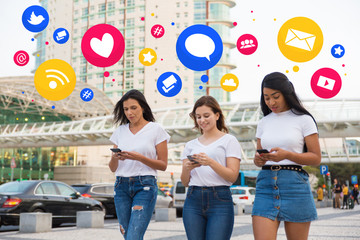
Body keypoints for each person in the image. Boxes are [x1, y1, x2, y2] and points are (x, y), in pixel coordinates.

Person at [252, 72, 321, 240]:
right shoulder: (263, 122)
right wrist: (258, 159)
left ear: (286, 93)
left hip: (295, 186)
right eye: (266, 98)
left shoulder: (304, 119)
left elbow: (316, 157)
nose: (271, 102)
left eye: (275, 96)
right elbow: (258, 158)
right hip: (265, 185)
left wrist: (287, 155)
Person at [108, 89, 170, 239]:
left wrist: (139, 158)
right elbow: (112, 168)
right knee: (127, 234)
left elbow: (163, 165)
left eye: (133, 108)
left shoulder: (156, 129)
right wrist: (116, 157)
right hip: (120, 186)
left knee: (134, 236)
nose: (130, 112)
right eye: (126, 109)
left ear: (143, 107)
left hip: (145, 186)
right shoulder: (120, 131)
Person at [180, 96, 242, 240]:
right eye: (198, 117)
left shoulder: (229, 140)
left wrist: (210, 162)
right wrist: (187, 168)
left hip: (220, 199)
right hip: (193, 199)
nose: (202, 120)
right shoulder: (190, 145)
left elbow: (232, 177)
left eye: (206, 116)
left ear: (217, 115)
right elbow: (185, 182)